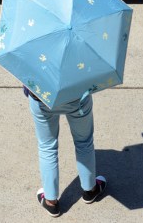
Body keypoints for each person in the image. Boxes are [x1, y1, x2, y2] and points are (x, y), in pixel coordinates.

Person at [25, 86, 107, 217]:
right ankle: (90, 189)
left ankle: (51, 202)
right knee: (84, 142)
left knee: (47, 147)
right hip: (77, 96)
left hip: (41, 97)